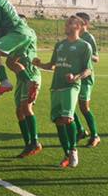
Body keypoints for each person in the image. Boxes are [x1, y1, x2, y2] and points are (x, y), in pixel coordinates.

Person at [32, 15, 92, 168]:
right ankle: (67, 153)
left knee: (67, 118)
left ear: (78, 26)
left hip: (71, 86)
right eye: (66, 23)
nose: (66, 26)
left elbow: (88, 70)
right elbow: (52, 65)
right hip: (56, 86)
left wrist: (76, 77)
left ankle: (72, 149)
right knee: (58, 121)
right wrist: (39, 64)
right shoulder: (59, 45)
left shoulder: (84, 46)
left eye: (69, 23)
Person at [3, 15, 42, 158]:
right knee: (19, 111)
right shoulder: (15, 37)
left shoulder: (27, 34)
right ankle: (29, 144)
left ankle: (35, 142)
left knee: (26, 108)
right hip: (21, 78)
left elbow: (15, 58)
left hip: (31, 75)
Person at [74, 12, 101, 148]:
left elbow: (97, 57)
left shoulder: (88, 38)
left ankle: (95, 135)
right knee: (69, 105)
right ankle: (80, 130)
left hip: (86, 77)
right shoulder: (75, 36)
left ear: (85, 23)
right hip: (74, 76)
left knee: (84, 107)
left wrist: (86, 54)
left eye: (77, 20)